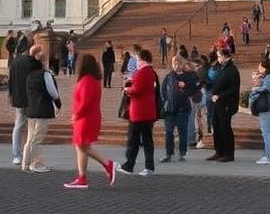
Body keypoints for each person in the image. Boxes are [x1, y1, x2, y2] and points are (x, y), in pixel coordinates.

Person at [65, 54, 116, 190]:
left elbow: (85, 102)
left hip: (85, 118)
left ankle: (107, 164)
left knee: (83, 146)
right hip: (89, 117)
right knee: (81, 146)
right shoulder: (94, 80)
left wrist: (76, 115)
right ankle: (82, 177)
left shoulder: (87, 80)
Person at [119, 48, 159, 176]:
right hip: (148, 112)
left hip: (139, 112)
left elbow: (137, 89)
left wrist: (127, 89)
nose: (136, 62)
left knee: (133, 140)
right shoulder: (151, 72)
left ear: (142, 59)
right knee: (147, 140)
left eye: (137, 59)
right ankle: (149, 166)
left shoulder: (143, 72)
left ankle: (129, 165)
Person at [23, 44, 61, 173]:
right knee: (37, 139)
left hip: (31, 109)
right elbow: (53, 92)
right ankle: (36, 163)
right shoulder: (44, 74)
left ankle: (26, 163)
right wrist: (58, 102)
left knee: (30, 138)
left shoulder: (29, 75)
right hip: (42, 108)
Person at [160, 55, 198, 163]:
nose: (175, 65)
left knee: (182, 131)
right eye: (173, 63)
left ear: (182, 64)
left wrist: (185, 87)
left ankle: (182, 152)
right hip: (170, 109)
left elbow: (193, 90)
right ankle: (168, 153)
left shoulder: (188, 77)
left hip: (183, 109)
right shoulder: (169, 76)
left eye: (177, 63)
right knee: (168, 132)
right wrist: (165, 102)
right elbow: (163, 91)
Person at [8, 44, 39, 165]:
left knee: (18, 126)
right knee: (32, 127)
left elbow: (10, 81)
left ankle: (16, 155)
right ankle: (29, 154)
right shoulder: (33, 62)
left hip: (18, 98)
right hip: (31, 99)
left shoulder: (15, 63)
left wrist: (11, 96)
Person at [207, 47, 239, 163]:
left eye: (219, 56)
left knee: (225, 128)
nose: (218, 58)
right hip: (217, 103)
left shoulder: (232, 70)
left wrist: (220, 96)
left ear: (225, 57)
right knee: (216, 126)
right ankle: (219, 151)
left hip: (226, 104)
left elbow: (234, 88)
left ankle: (229, 153)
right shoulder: (221, 68)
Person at [250, 58, 270, 165]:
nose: (259, 68)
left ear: (264, 66)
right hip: (269, 107)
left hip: (268, 108)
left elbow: (267, 89)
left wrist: (255, 89)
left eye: (260, 66)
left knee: (266, 133)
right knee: (268, 132)